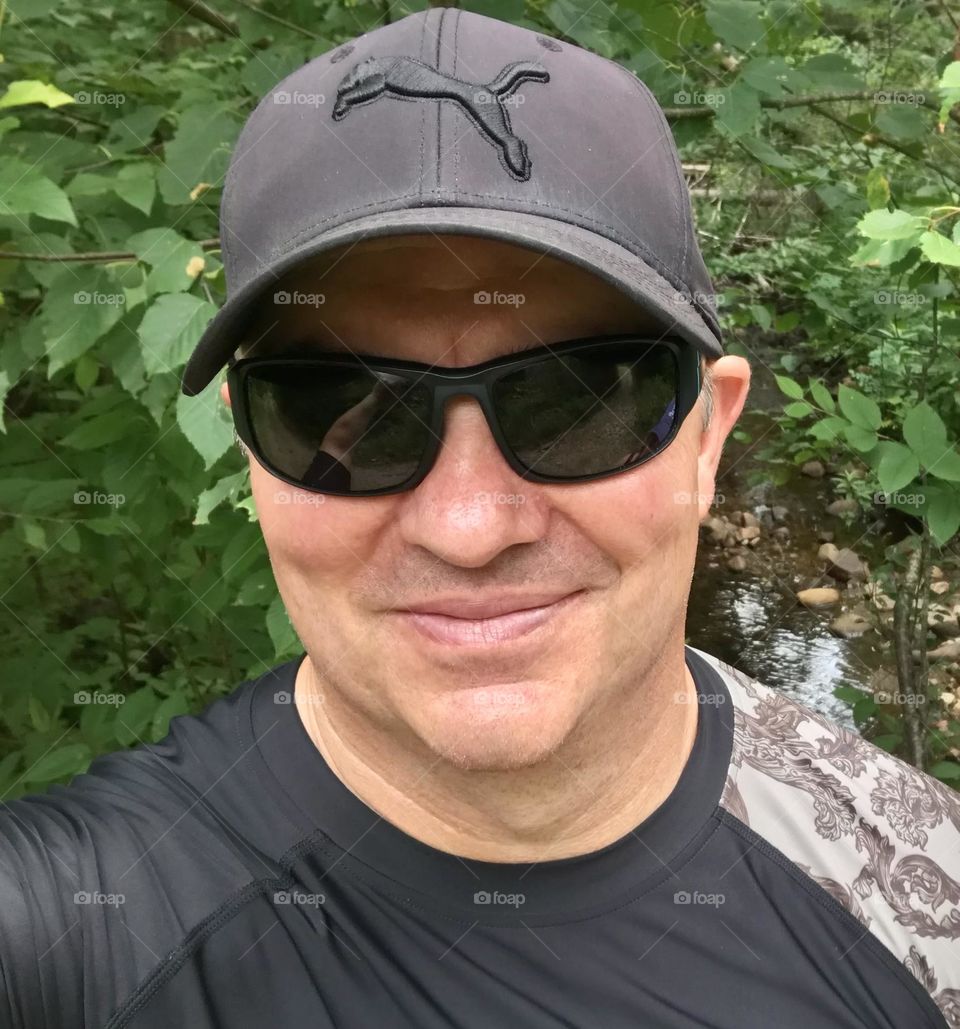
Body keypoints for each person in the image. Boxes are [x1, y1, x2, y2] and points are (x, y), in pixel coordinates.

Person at [2, 8, 958, 1029]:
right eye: (338, 404)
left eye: (578, 402)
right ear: (250, 447)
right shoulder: (71, 925)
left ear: (707, 440)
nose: (468, 527)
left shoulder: (919, 896)